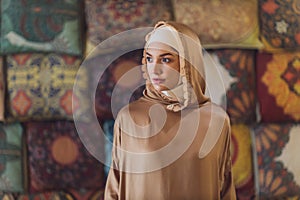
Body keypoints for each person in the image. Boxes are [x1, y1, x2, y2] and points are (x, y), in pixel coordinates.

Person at [104, 21, 236, 200]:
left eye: (166, 60)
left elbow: (225, 187)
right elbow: (115, 186)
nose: (154, 69)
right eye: (149, 58)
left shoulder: (217, 120)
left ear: (188, 63)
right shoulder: (130, 118)